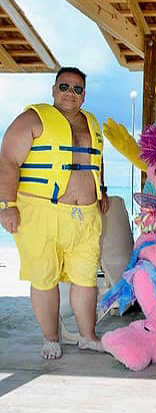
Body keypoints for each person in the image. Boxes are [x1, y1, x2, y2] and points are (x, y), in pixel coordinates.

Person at [0, 67, 109, 359]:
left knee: (86, 277)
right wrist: (7, 205)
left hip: (85, 216)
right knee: (44, 276)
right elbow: (8, 160)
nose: (70, 93)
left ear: (84, 95)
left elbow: (97, 161)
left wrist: (104, 191)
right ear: (53, 89)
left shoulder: (92, 123)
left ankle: (88, 336)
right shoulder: (32, 119)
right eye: (64, 86)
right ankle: (51, 338)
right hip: (41, 213)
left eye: (77, 89)